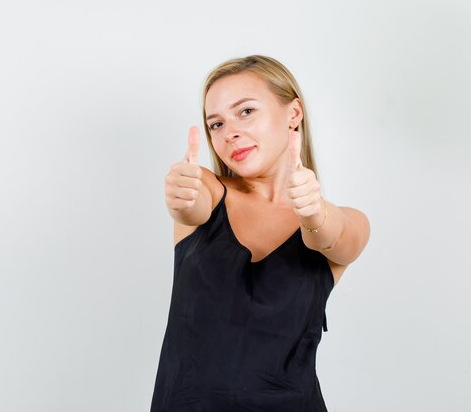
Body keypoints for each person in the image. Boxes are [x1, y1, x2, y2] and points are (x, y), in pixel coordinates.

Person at [151, 54, 370, 412]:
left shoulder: (347, 221)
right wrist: (181, 198)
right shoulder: (206, 188)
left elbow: (333, 237)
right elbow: (191, 206)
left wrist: (314, 212)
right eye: (216, 124)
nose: (230, 132)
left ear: (293, 114)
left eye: (246, 111)